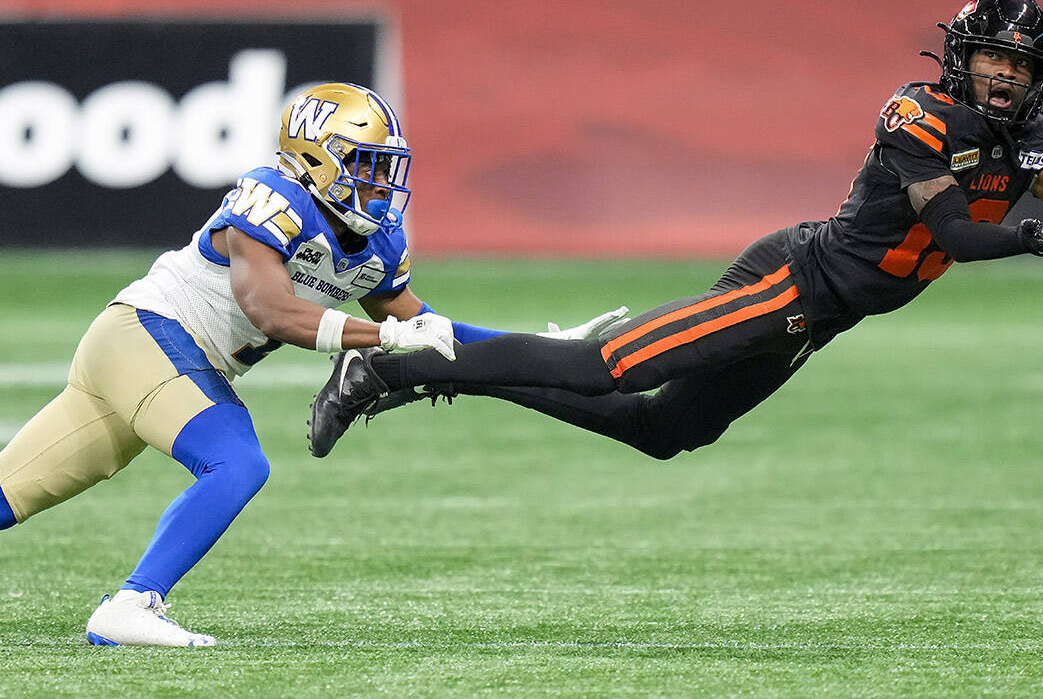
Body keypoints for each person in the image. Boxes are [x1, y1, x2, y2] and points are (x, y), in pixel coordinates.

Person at [307, 0, 1043, 466]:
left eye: (1019, 66)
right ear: (961, 57)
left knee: (660, 432)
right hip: (793, 282)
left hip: (825, 315)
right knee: (599, 368)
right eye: (992, 59)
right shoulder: (920, 115)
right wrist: (1023, 240)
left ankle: (434, 376)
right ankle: (387, 363)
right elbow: (951, 232)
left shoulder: (1036, 131)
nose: (1003, 77)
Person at [0, 82, 625, 647]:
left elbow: (428, 329)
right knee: (236, 461)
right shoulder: (272, 197)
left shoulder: (375, 240)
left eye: (387, 169)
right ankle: (132, 604)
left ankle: (132, 603)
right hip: (145, 334)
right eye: (365, 166)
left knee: (10, 493)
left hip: (162, 357)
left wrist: (544, 344)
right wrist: (381, 336)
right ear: (315, 160)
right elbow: (270, 311)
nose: (381, 184)